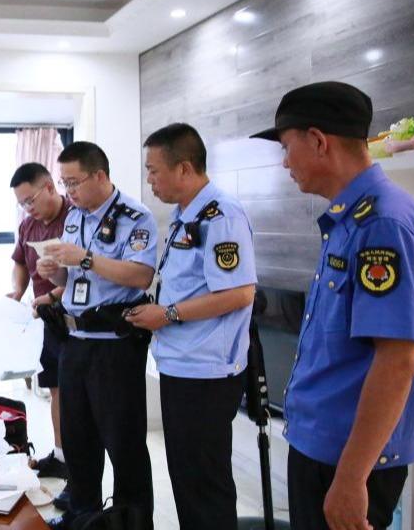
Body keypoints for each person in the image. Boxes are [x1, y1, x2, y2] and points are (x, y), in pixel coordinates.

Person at [251, 81, 414, 530]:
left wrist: (353, 478)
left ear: (318, 140)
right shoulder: (350, 218)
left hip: (348, 458)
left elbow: (397, 361)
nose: (285, 162)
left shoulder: (382, 223)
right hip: (323, 446)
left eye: (287, 147)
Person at [126, 123, 257, 530]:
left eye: (154, 170)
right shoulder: (187, 215)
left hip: (206, 372)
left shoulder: (222, 215)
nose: (150, 181)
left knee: (204, 485)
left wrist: (166, 314)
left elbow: (239, 293)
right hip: (182, 365)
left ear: (183, 168)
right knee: (187, 479)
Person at [37, 141, 157, 529]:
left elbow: (141, 275)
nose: (68, 191)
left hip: (114, 346)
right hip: (74, 342)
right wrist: (54, 270)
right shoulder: (74, 217)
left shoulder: (135, 217)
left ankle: (131, 521)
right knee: (78, 441)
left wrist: (86, 258)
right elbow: (72, 277)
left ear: (99, 175)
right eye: (64, 183)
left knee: (124, 445)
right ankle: (82, 518)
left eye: (74, 182)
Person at [8, 162, 73, 481]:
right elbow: (20, 262)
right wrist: (18, 291)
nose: (28, 208)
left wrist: (53, 295)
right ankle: (61, 455)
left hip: (73, 317)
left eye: (30, 200)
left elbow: (83, 274)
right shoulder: (27, 226)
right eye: (22, 203)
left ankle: (78, 460)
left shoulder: (74, 218)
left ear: (49, 186)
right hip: (45, 318)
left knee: (75, 392)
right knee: (56, 389)